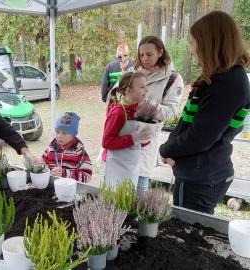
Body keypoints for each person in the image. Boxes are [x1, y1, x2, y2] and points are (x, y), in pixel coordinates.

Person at [160, 11, 250, 214]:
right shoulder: (219, 77)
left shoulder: (228, 82)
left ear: (209, 43)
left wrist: (166, 150)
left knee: (188, 234)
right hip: (198, 172)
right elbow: (188, 122)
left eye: (192, 43)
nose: (191, 50)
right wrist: (171, 149)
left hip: (200, 178)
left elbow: (200, 137)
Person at [129, 35, 184, 197]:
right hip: (122, 135)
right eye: (141, 54)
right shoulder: (132, 73)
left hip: (146, 140)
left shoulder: (173, 78)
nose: (144, 59)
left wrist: (144, 105)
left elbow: (170, 112)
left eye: (149, 54)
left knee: (139, 191)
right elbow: (116, 97)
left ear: (160, 52)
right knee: (116, 190)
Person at [102, 72, 153, 189]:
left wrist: (146, 136)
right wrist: (134, 138)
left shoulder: (139, 110)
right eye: (142, 87)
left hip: (132, 166)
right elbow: (107, 142)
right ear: (129, 90)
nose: (147, 90)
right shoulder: (118, 112)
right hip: (116, 167)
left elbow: (141, 142)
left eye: (146, 86)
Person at [41, 112, 93, 183]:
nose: (59, 136)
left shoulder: (79, 151)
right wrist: (49, 172)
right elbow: (42, 166)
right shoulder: (51, 148)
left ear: (73, 135)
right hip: (52, 187)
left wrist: (64, 173)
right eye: (57, 132)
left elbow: (87, 176)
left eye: (64, 133)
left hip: (71, 189)